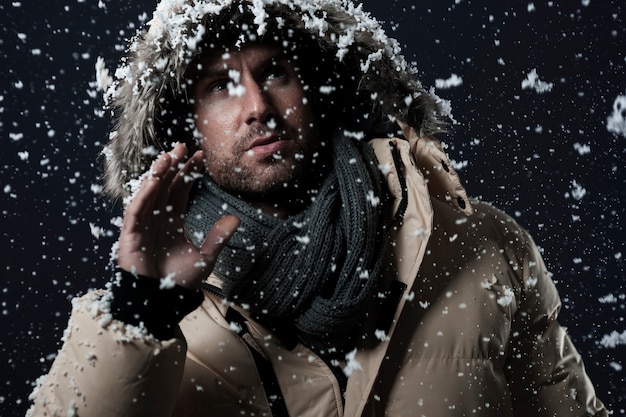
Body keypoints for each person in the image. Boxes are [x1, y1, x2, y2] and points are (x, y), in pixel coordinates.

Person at [28, 0, 608, 416]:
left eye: (274, 71)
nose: (257, 105)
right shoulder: (162, 305)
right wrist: (140, 309)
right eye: (218, 86)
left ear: (320, 85)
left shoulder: (483, 242)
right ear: (186, 128)